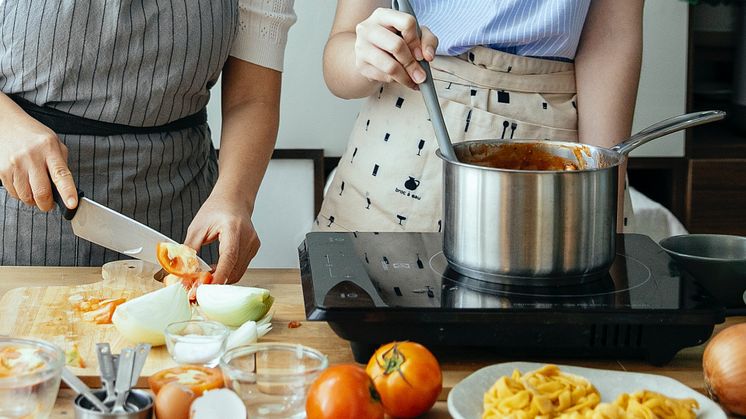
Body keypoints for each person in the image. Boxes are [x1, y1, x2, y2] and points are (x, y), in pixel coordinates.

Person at [0, 0, 296, 283]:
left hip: (182, 211)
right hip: (25, 210)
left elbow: (252, 99)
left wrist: (234, 198)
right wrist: (6, 125)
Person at [316, 0, 643, 232]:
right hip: (399, 143)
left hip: (550, 141)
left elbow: (612, 40)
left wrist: (602, 195)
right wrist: (370, 53)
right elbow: (338, 62)